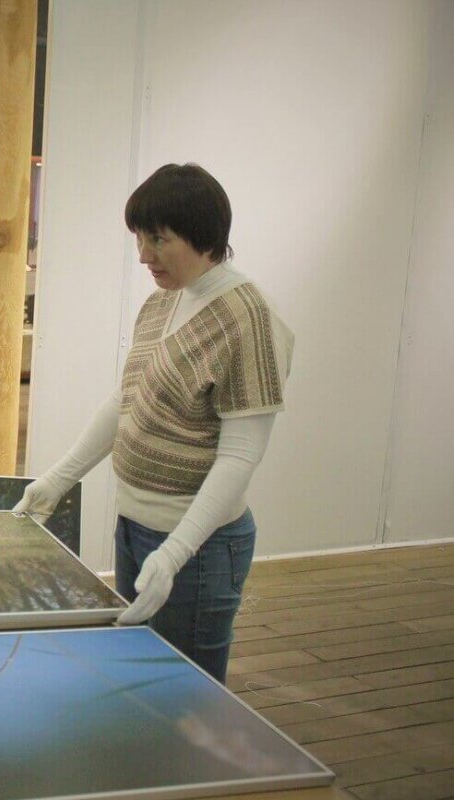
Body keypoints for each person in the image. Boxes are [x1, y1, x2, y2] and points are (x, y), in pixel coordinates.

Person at [15, 163, 293, 684]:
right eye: (140, 239)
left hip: (198, 549)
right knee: (142, 679)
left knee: (185, 694)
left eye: (159, 240)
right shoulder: (165, 299)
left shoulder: (249, 318)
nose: (144, 255)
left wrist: (176, 552)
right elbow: (128, 399)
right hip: (137, 530)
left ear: (204, 237)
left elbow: (240, 455)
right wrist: (58, 479)